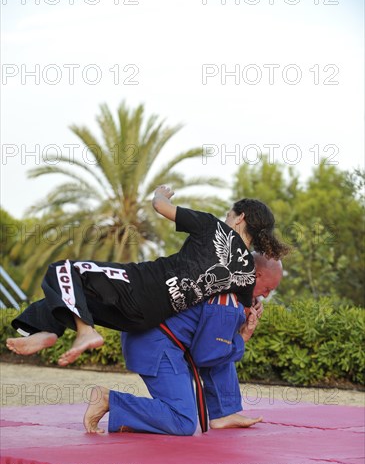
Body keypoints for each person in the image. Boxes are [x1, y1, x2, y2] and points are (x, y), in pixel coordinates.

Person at [7, 186, 288, 367]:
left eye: (230, 214)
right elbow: (243, 309)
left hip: (141, 284)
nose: (226, 217)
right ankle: (45, 329)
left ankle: (84, 332)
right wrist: (249, 323)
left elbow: (159, 207)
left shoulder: (212, 226)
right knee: (83, 298)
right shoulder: (247, 276)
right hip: (147, 317)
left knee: (64, 270)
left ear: (239, 218)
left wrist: (161, 193)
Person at [83, 254, 283, 435]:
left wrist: (243, 315)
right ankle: (109, 399)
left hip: (158, 338)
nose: (265, 296)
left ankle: (224, 412)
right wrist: (244, 336)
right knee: (183, 421)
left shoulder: (225, 283)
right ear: (255, 275)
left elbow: (213, 341)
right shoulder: (228, 300)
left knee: (222, 346)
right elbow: (205, 356)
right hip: (154, 343)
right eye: (267, 289)